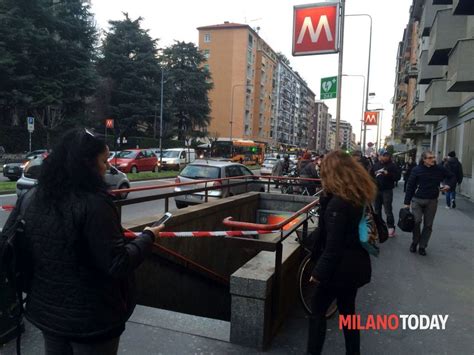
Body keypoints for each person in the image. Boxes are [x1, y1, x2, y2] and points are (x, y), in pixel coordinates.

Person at [3, 128, 163, 354]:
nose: (108, 167)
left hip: (47, 312)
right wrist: (148, 237)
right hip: (93, 319)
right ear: (87, 164)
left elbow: (9, 242)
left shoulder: (31, 197)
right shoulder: (95, 204)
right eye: (104, 160)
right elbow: (117, 263)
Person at [307, 150, 375, 355]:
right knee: (348, 312)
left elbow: (333, 245)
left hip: (340, 269)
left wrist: (318, 273)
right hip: (357, 265)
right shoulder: (357, 195)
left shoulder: (338, 203)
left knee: (317, 309)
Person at [404, 151, 456, 256]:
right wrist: (407, 203)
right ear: (424, 159)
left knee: (428, 225)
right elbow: (410, 186)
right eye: (430, 158)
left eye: (433, 157)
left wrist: (448, 186)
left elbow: (452, 177)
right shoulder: (416, 170)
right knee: (416, 221)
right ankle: (415, 242)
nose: (433, 159)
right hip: (417, 200)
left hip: (432, 201)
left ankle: (422, 246)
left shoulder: (439, 169)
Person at [370, 151, 399, 237]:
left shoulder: (392, 166)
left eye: (387, 155)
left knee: (388, 209)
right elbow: (370, 176)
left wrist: (388, 174)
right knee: (377, 210)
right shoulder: (375, 165)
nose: (386, 157)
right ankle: (379, 227)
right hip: (376, 190)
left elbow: (397, 177)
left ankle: (391, 227)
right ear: (380, 156)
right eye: (384, 155)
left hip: (387, 190)